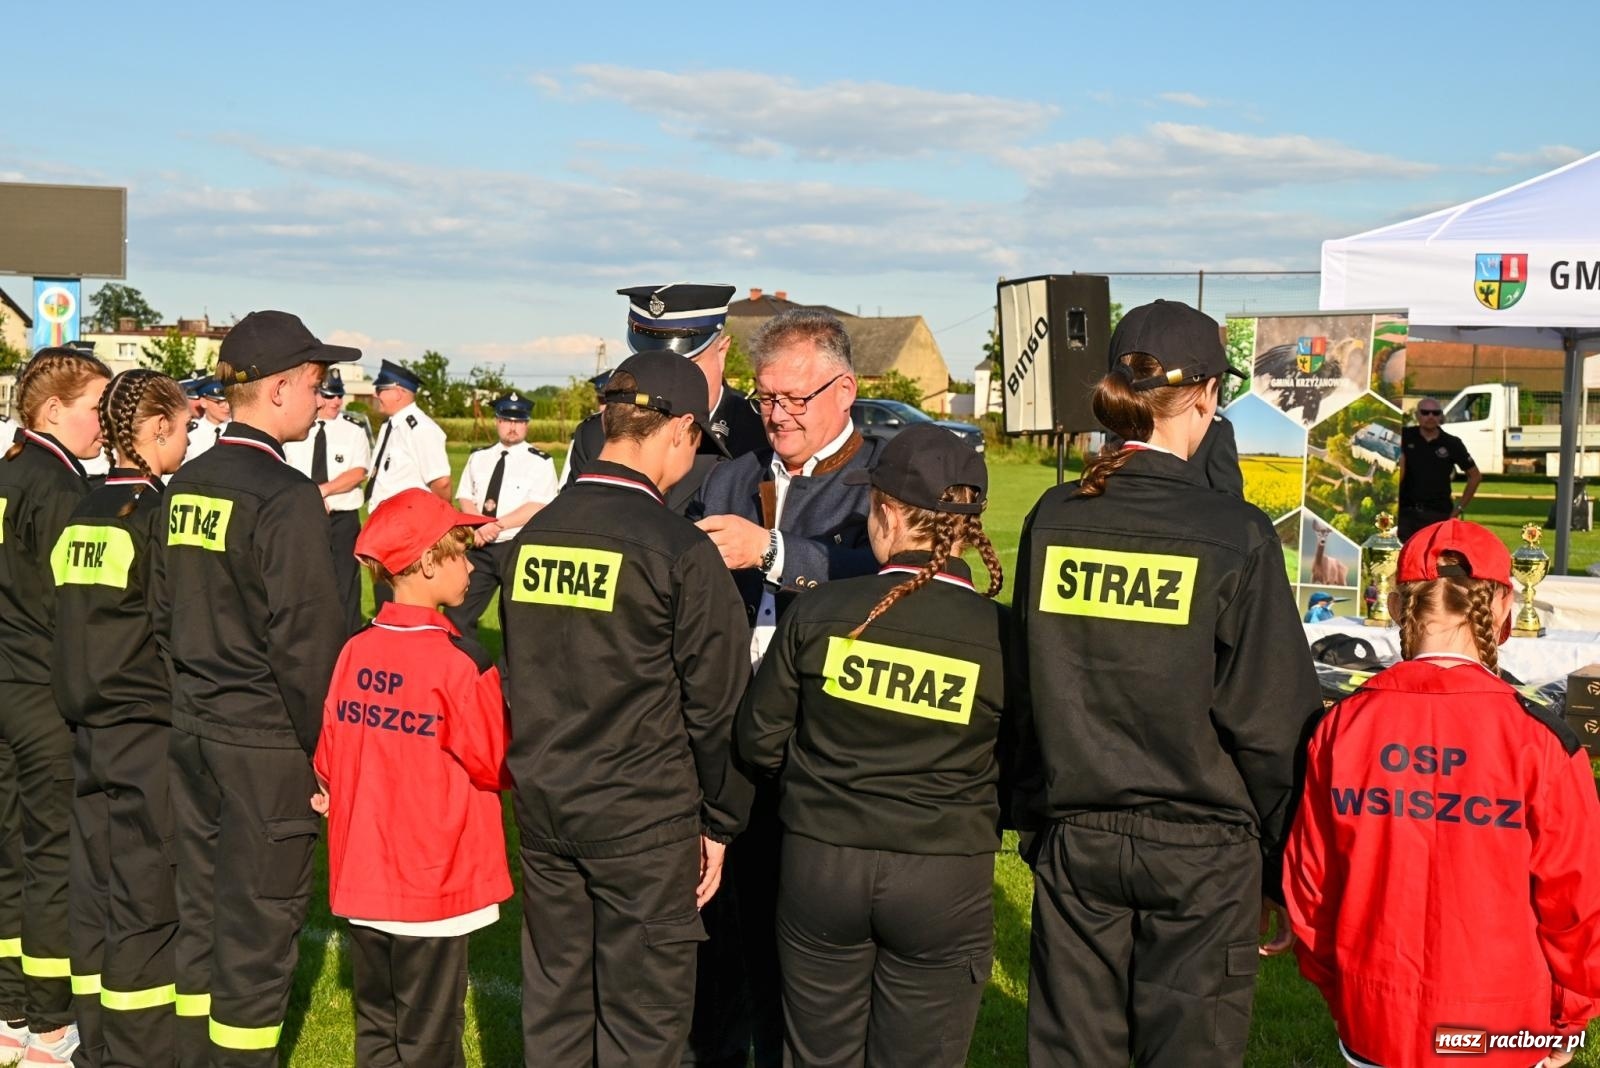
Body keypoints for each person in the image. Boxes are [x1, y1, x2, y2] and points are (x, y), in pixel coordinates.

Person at [1010, 300, 1321, 1068]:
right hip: (1201, 855)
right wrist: (1286, 863)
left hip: (1077, 837)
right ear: (1209, 396)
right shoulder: (1234, 533)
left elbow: (1024, 684)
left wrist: (1032, 818)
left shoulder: (1055, 517)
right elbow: (1272, 721)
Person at [501, 350, 752, 1066]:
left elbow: (519, 673)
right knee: (643, 1030)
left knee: (556, 1014)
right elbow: (716, 707)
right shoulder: (676, 549)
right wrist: (722, 820)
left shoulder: (537, 534)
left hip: (549, 809)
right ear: (675, 431)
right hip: (643, 822)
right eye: (698, 440)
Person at [736, 424, 1009, 1068]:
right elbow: (1024, 762)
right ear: (968, 527)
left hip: (820, 866)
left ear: (885, 514)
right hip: (944, 874)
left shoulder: (823, 608)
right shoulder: (1002, 634)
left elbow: (758, 738)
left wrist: (820, 782)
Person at [1285, 519, 1600, 1068]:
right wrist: (1571, 1014)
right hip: (1501, 1029)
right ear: (1503, 606)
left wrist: (1343, 990)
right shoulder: (1539, 739)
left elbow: (1309, 889)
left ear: (1396, 602)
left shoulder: (1341, 726)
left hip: (1375, 1016)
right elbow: (1577, 901)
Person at [152, 310, 352, 1067]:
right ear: (279, 391)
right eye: (315, 383)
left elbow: (162, 613)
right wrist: (328, 755)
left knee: (200, 919)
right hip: (264, 744)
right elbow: (307, 646)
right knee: (259, 934)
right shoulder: (286, 495)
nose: (321, 395)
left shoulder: (188, 481)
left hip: (194, 731)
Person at [688, 307, 882, 1068]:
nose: (778, 415)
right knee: (719, 941)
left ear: (847, 390)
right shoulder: (730, 476)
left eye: (797, 399)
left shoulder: (878, 484)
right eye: (767, 398)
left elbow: (884, 579)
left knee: (800, 958)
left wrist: (773, 552)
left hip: (818, 748)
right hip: (726, 735)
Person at [313, 489, 511, 1068]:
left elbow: (328, 759)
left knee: (377, 1026)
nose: (472, 566)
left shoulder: (354, 651)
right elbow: (496, 765)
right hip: (435, 881)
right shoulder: (462, 662)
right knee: (430, 1035)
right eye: (460, 552)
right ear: (426, 562)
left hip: (365, 872)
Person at [49, 370, 189, 1067]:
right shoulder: (157, 515)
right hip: (145, 731)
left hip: (86, 728)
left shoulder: (81, 512)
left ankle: (94, 1047)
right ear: (156, 428)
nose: (189, 440)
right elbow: (173, 629)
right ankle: (140, 1053)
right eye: (185, 426)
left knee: (94, 894)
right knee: (144, 904)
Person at [0, 347, 112, 1067]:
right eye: (97, 407)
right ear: (51, 412)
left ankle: (10, 1008)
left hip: (5, 681)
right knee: (50, 859)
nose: (105, 421)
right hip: (42, 690)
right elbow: (81, 610)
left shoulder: (8, 474)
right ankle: (48, 1027)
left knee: (10, 853)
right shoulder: (61, 487)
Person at [562, 284, 767, 513]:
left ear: (722, 352)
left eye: (688, 365)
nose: (670, 382)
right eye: (653, 366)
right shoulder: (597, 435)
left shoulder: (762, 433)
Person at [444, 392, 557, 638]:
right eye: (507, 420)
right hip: (480, 548)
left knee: (516, 623)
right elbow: (465, 496)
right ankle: (469, 671)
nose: (512, 427)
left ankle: (509, 677)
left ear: (527, 424)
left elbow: (538, 505)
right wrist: (479, 525)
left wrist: (496, 525)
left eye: (518, 421)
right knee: (457, 614)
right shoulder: (478, 457)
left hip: (518, 548)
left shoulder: (541, 462)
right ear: (497, 421)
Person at [283, 368, 371, 635]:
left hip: (342, 518)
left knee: (345, 584)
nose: (336, 402)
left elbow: (359, 472)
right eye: (330, 395)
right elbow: (284, 469)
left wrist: (323, 491)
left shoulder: (352, 431)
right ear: (317, 396)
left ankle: (347, 641)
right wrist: (309, 500)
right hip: (303, 516)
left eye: (339, 395)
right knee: (301, 580)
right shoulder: (297, 427)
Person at [364, 360, 450, 606]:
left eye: (381, 389)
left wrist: (441, 521)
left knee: (405, 599)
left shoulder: (420, 429)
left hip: (407, 530)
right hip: (386, 528)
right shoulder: (391, 425)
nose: (376, 395)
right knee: (385, 598)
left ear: (399, 391)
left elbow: (441, 481)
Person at [1398, 398, 1480, 541]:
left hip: (1438, 514)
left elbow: (1475, 476)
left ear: (1441, 416)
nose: (1430, 417)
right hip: (1406, 513)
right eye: (1425, 412)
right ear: (1417, 415)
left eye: (1435, 413)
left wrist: (1458, 509)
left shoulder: (1452, 443)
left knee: (1434, 560)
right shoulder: (1403, 436)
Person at [181, 378, 231, 465]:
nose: (227, 407)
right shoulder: (191, 433)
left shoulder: (238, 429)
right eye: (219, 402)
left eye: (228, 401)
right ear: (204, 402)